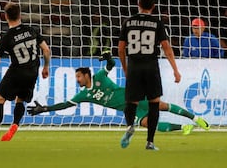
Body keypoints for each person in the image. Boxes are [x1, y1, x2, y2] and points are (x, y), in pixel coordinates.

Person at [27, 52, 209, 135]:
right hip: (130, 108)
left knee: (162, 105)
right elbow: (65, 104)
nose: (77, 80)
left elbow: (111, 65)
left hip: (136, 95)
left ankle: (195, 118)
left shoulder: (99, 76)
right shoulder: (83, 95)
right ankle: (183, 128)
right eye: (76, 77)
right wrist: (44, 109)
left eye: (79, 76)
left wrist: (108, 57)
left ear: (87, 75)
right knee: (147, 123)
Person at [0, 2, 51, 141]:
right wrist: (46, 67)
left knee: (0, 99)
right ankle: (15, 124)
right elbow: (46, 50)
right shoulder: (32, 30)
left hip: (16, 72)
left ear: (6, 17)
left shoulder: (7, 37)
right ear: (20, 15)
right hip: (32, 72)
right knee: (20, 100)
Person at [118, 0, 181, 150]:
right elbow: (166, 48)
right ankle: (150, 142)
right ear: (153, 7)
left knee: (131, 102)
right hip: (151, 67)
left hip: (134, 66)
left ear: (138, 5)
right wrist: (175, 70)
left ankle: (130, 125)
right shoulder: (158, 23)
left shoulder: (128, 22)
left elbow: (120, 49)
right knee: (154, 104)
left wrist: (126, 68)